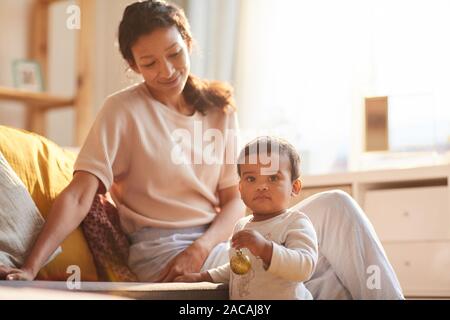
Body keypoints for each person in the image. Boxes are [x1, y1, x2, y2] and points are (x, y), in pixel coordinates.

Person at [0, 0, 404, 299]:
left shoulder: (218, 108)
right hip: (163, 254)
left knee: (335, 207)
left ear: (189, 43)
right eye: (149, 63)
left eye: (175, 54)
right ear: (133, 66)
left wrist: (203, 247)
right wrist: (30, 266)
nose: (167, 71)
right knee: (313, 278)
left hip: (219, 242)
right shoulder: (121, 111)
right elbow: (81, 194)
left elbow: (233, 202)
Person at [176, 137, 319, 300]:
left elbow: (305, 267)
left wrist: (266, 249)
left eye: (273, 178)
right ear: (240, 188)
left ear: (294, 187)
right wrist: (204, 277)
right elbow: (241, 268)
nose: (261, 186)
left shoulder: (295, 222)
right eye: (251, 179)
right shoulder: (242, 226)